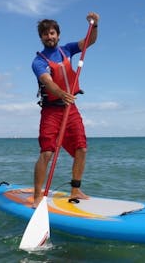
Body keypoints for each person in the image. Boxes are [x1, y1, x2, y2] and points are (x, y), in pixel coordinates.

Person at [31, 12, 99, 207]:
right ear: (41, 38)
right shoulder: (39, 61)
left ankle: (75, 189)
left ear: (58, 35)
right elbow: (47, 82)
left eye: (52, 33)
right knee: (47, 153)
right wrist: (61, 93)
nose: (49, 37)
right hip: (52, 111)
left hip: (71, 109)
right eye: (45, 34)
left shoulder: (67, 50)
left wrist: (94, 25)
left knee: (81, 148)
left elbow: (89, 41)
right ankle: (37, 195)